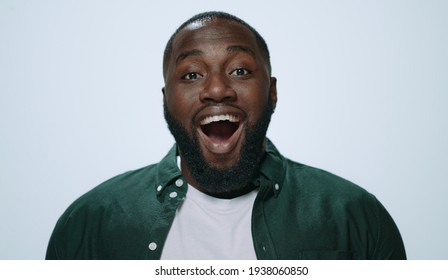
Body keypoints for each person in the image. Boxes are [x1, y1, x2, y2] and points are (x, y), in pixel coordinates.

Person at [46, 11, 406, 260]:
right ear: (165, 99)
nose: (217, 89)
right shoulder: (89, 224)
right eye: (191, 74)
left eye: (239, 70)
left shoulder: (355, 217)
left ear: (273, 92)